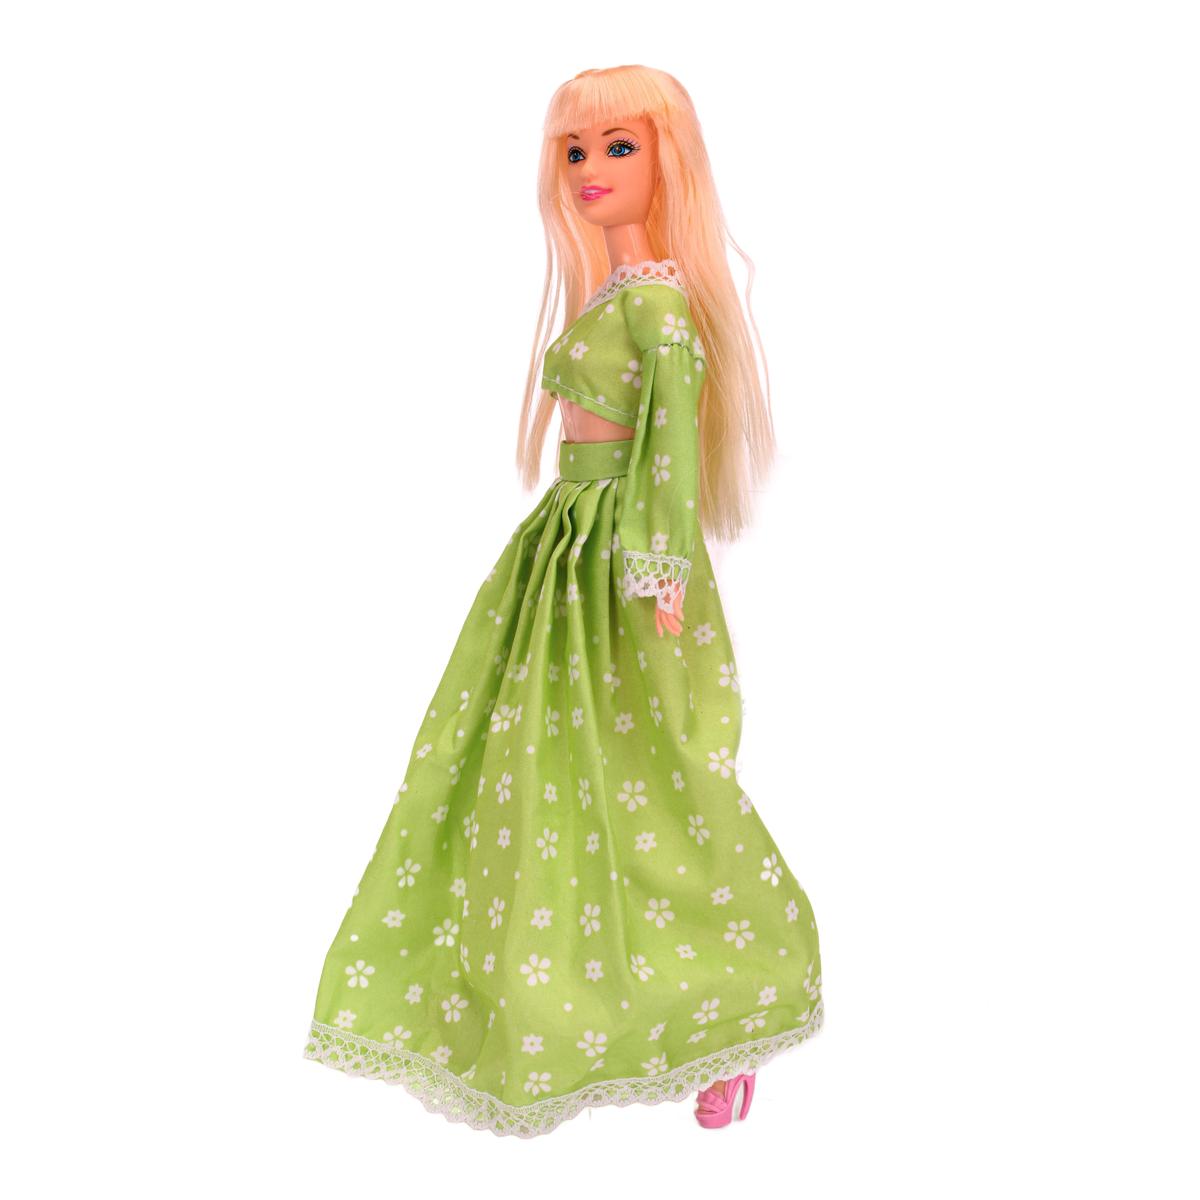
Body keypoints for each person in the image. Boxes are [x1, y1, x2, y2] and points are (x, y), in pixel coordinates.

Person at [303, 64, 824, 1138]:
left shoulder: (661, 305)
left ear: (669, 158)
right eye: (576, 149)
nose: (590, 169)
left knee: (659, 786)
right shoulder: (615, 293)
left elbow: (671, 445)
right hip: (567, 547)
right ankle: (558, 1008)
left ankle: (733, 1005)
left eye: (619, 146)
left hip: (621, 558)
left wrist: (657, 571)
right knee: (537, 770)